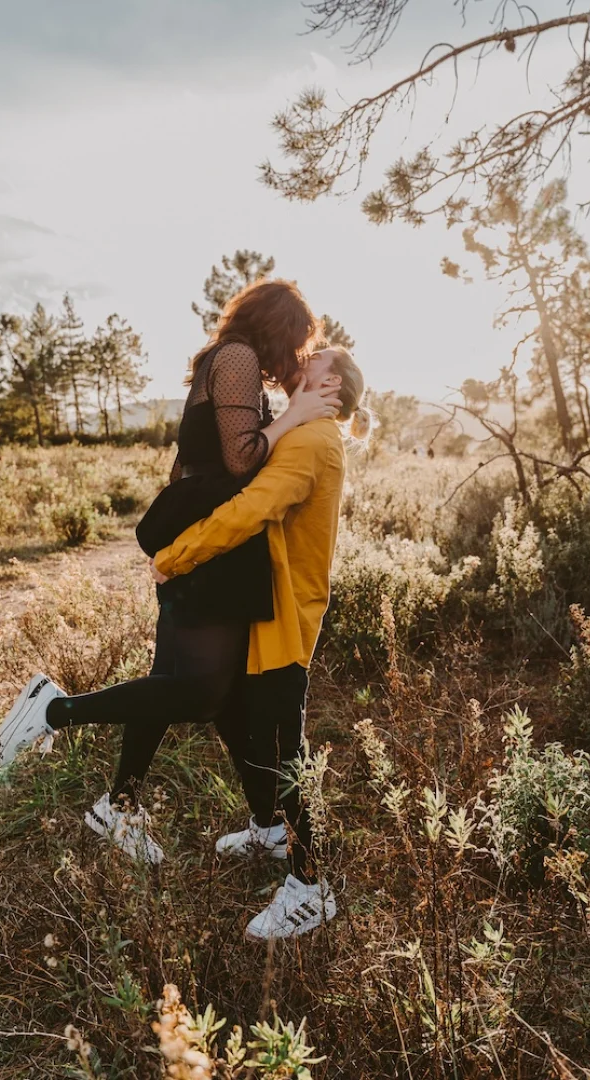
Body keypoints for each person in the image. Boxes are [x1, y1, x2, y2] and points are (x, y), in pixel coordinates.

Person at [0, 280, 340, 865]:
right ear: (277, 327)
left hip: (211, 537)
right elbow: (241, 459)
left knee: (193, 687)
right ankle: (53, 710)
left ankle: (123, 805)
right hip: (215, 544)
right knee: (202, 693)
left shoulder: (229, 362)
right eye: (297, 342)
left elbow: (193, 461)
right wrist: (294, 415)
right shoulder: (237, 357)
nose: (297, 356)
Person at [148, 345, 372, 940]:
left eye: (316, 358)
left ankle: (312, 885)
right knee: (234, 716)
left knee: (283, 746)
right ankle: (271, 830)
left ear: (332, 385)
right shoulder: (305, 431)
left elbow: (251, 509)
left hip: (285, 617)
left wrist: (175, 555)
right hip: (260, 608)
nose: (303, 357)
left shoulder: (312, 440)